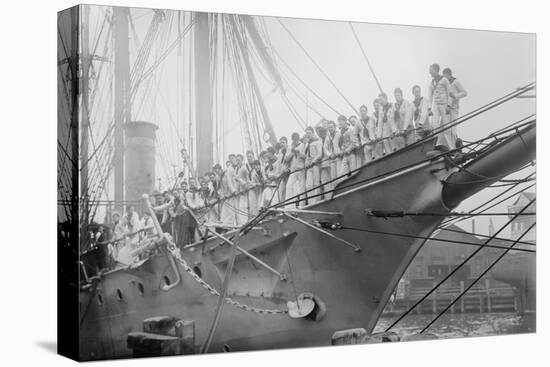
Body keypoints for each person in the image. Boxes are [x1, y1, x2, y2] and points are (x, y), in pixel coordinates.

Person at [427, 63, 453, 150]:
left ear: (435, 70)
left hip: (444, 105)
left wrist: (449, 105)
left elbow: (449, 93)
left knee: (446, 126)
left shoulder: (444, 80)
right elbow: (430, 96)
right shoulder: (431, 82)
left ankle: (451, 147)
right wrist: (429, 108)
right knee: (435, 125)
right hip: (436, 105)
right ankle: (437, 145)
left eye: (431, 70)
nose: (429, 72)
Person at [443, 67, 467, 147]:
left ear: (449, 75)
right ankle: (448, 146)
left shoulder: (455, 82)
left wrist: (455, 96)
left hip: (454, 108)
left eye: (445, 76)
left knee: (453, 128)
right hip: (447, 109)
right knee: (446, 128)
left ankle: (453, 146)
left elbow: (464, 92)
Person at [285, 132, 306, 207]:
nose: (295, 141)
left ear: (298, 138)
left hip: (301, 169)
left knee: (301, 188)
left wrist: (298, 152)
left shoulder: (303, 145)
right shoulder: (290, 147)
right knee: (289, 186)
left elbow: (305, 157)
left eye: (296, 139)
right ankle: (289, 206)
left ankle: (302, 205)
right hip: (293, 170)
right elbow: (286, 159)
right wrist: (292, 153)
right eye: (294, 139)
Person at [304, 126, 323, 204]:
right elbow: (306, 155)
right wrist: (306, 162)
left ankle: (317, 201)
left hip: (315, 165)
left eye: (309, 133)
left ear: (313, 133)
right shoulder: (307, 144)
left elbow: (319, 154)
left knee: (316, 184)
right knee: (308, 185)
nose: (308, 135)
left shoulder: (317, 141)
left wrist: (313, 161)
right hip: (309, 166)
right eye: (306, 133)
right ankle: (311, 202)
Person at [323, 120, 341, 194]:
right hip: (332, 158)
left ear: (335, 127)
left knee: (340, 174)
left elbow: (341, 144)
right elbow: (325, 148)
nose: (330, 129)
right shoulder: (328, 137)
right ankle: (335, 192)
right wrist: (330, 155)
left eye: (331, 127)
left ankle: (341, 190)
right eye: (329, 128)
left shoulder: (339, 134)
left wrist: (338, 152)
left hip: (339, 157)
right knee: (333, 176)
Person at [234, 154, 250, 224]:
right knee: (240, 208)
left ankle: (245, 223)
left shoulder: (244, 168)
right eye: (236, 160)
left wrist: (238, 179)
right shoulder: (237, 168)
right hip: (240, 192)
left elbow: (248, 180)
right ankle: (242, 224)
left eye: (239, 160)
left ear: (242, 160)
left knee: (245, 208)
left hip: (245, 191)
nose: (237, 162)